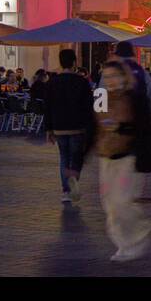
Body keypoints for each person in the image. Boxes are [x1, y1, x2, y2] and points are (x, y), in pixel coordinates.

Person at [96, 43, 151, 262]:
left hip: (128, 153)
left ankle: (136, 233)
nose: (111, 79)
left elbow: (144, 117)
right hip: (108, 153)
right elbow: (96, 118)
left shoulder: (130, 90)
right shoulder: (142, 77)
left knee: (120, 200)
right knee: (109, 202)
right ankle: (122, 243)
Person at [44, 48, 95, 204]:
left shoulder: (52, 82)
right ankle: (73, 177)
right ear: (74, 62)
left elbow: (48, 106)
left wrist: (48, 128)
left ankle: (65, 191)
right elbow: (88, 106)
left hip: (59, 126)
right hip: (77, 126)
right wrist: (90, 127)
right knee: (77, 157)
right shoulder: (82, 82)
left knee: (64, 157)